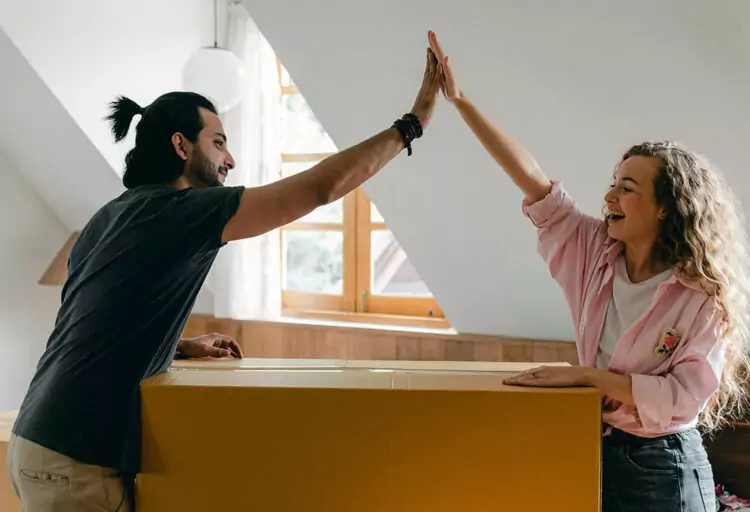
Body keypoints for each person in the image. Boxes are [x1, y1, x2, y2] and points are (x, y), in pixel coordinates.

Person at [6, 45, 441, 511]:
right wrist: (412, 124)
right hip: (76, 461)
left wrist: (177, 345)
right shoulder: (184, 212)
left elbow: (94, 322)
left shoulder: (111, 214)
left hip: (38, 437)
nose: (230, 158)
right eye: (218, 142)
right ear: (180, 145)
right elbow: (320, 187)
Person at [427, 31, 750, 512]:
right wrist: (462, 102)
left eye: (627, 188)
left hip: (664, 466)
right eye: (612, 185)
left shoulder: (703, 295)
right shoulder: (591, 250)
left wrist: (587, 377)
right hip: (594, 448)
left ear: (666, 207)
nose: (609, 197)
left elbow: (682, 399)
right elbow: (532, 179)